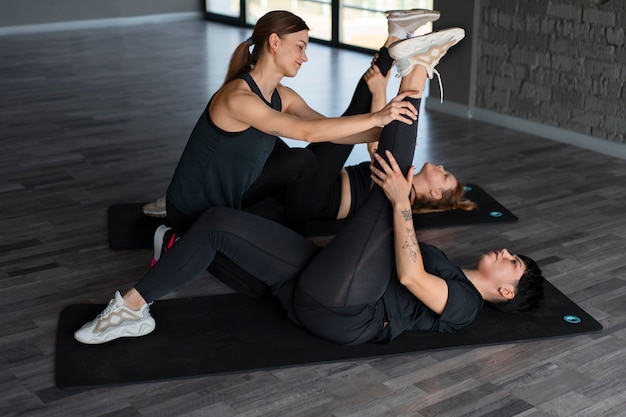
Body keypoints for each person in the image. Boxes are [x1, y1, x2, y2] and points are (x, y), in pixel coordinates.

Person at [75, 27, 545, 346]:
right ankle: (131, 309)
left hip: (347, 310)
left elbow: (409, 277)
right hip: (315, 279)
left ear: (506, 292)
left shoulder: (465, 306)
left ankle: (417, 69)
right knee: (216, 222)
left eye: (513, 263)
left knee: (388, 193)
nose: (505, 253)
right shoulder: (455, 270)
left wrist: (403, 206)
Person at [160, 9, 422, 237]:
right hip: (193, 211)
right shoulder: (238, 99)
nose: (304, 57)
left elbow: (328, 129)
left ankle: (396, 37)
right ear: (274, 42)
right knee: (301, 159)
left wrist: (387, 134)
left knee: (306, 157)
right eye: (300, 46)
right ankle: (291, 240)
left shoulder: (281, 95)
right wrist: (378, 117)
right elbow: (306, 131)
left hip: (234, 194)